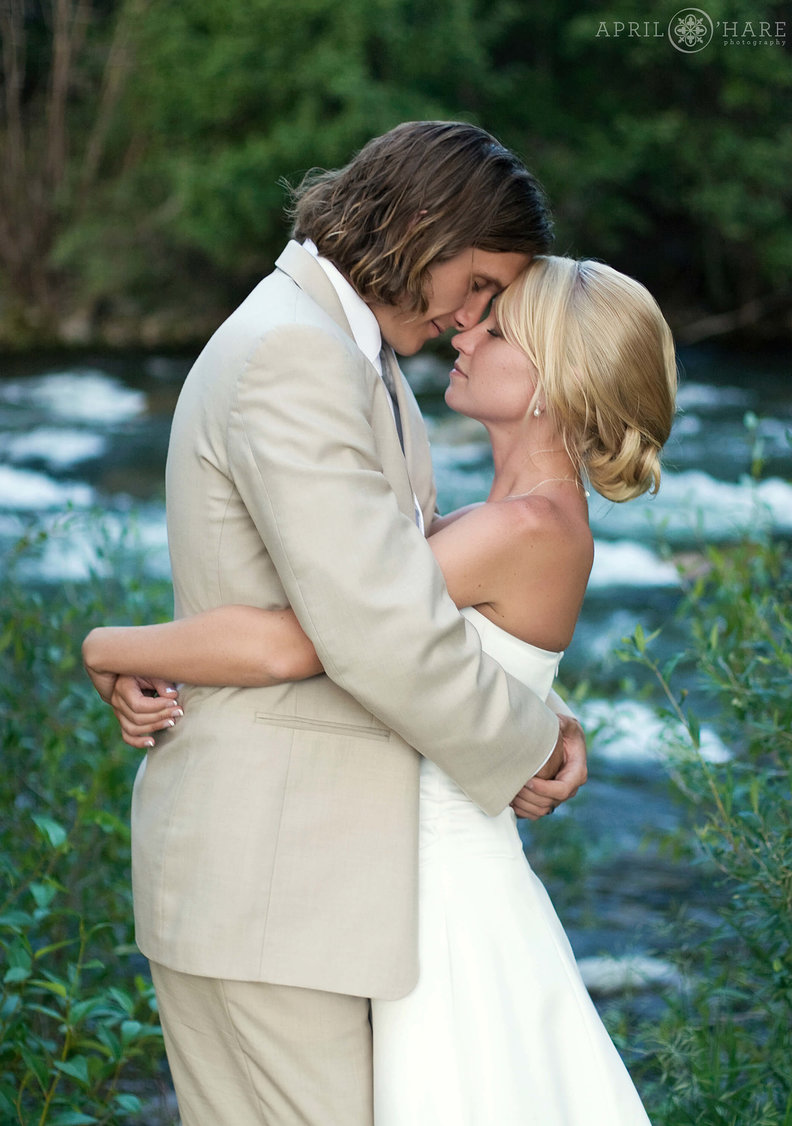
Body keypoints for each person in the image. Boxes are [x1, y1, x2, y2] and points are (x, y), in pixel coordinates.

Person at [85, 255, 677, 1123]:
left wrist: (109, 644)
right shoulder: (494, 521)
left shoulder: (523, 526)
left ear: (554, 383)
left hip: (444, 909)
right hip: (397, 882)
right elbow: (437, 649)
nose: (463, 332)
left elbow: (302, 638)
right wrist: (545, 711)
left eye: (497, 328)